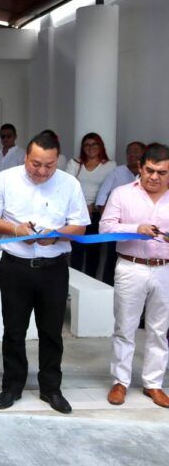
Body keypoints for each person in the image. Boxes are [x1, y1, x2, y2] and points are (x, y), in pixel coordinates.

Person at [0, 132, 89, 414]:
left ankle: (51, 388)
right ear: (26, 156)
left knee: (52, 331)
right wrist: (17, 230)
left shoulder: (69, 184)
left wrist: (56, 235)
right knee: (14, 330)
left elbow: (80, 227)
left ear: (57, 161)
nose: (41, 171)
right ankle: (12, 385)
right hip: (15, 267)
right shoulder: (6, 179)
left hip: (53, 269)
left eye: (49, 165)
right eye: (36, 164)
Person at [99, 143, 169, 408]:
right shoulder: (122, 194)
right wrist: (135, 228)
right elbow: (105, 228)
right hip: (131, 266)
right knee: (125, 327)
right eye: (150, 170)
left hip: (165, 269)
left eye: (162, 172)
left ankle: (153, 384)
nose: (154, 177)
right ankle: (120, 381)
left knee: (159, 330)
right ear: (140, 167)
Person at [96, 141, 147, 286]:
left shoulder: (153, 181)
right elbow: (102, 198)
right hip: (118, 228)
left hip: (145, 236)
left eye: (137, 151)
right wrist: (108, 222)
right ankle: (107, 288)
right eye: (129, 151)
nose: (132, 155)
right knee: (112, 261)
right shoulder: (117, 172)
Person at [66, 133, 116, 278]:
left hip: (96, 214)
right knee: (76, 251)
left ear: (100, 146)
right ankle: (74, 285)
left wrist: (94, 206)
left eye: (94, 144)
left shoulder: (110, 165)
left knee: (94, 253)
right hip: (76, 214)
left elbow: (111, 190)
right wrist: (82, 207)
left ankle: (91, 288)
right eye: (87, 145)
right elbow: (67, 187)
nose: (91, 148)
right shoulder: (75, 163)